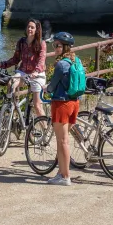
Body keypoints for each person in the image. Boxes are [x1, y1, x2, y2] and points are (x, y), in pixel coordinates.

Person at [0, 18, 47, 120]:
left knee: (37, 106)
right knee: (11, 82)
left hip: (37, 75)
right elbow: (15, 59)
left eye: (32, 27)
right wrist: (1, 64)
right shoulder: (21, 42)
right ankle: (11, 108)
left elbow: (41, 60)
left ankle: (45, 130)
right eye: (28, 27)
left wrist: (36, 71)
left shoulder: (41, 43)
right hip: (23, 72)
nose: (29, 29)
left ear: (37, 30)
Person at [45, 32, 79, 186]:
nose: (55, 48)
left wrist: (46, 88)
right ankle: (61, 172)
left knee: (62, 141)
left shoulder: (61, 64)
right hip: (74, 103)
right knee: (63, 140)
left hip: (61, 104)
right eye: (54, 45)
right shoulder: (76, 61)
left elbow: (52, 86)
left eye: (57, 45)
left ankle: (65, 176)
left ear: (65, 47)